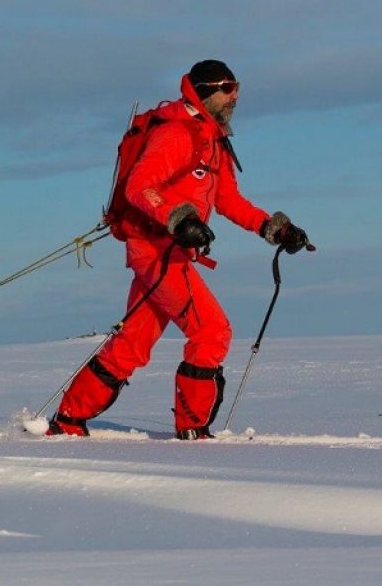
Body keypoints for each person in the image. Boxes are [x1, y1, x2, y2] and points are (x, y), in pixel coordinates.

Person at [46, 60, 309, 440]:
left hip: (168, 253)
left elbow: (229, 201)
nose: (235, 95)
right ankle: (192, 431)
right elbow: (140, 186)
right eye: (228, 87)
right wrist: (178, 219)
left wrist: (277, 228)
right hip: (155, 250)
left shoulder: (212, 141)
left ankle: (68, 419)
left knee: (132, 343)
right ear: (204, 91)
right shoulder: (177, 134)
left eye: (237, 87)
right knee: (211, 332)